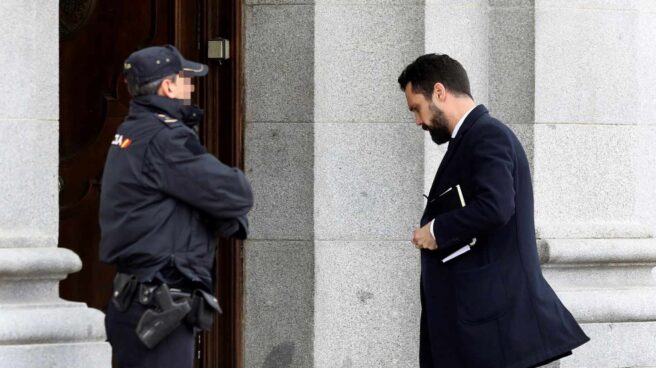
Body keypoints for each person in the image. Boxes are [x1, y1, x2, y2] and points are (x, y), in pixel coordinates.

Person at [400, 54, 589, 368]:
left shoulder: (487, 135)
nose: (417, 121)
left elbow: (496, 206)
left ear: (439, 91)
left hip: (491, 330)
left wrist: (436, 230)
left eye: (416, 108)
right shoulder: (473, 138)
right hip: (482, 328)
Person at [99, 45, 253, 368]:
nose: (191, 86)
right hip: (157, 311)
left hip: (133, 305)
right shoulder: (165, 139)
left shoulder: (129, 132)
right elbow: (237, 193)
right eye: (185, 79)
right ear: (168, 86)